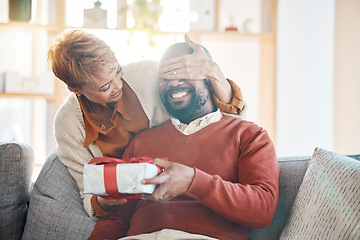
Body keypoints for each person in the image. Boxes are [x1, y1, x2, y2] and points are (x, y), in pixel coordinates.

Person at [88, 42, 279, 240]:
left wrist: (193, 181)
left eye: (182, 71)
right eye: (165, 77)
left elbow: (263, 209)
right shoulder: (141, 142)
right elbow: (117, 220)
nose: (173, 82)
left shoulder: (249, 136)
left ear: (208, 77)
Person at [48, 29, 245, 219]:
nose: (118, 85)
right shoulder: (68, 125)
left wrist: (213, 73)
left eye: (118, 71)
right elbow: (87, 190)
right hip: (136, 209)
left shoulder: (151, 75)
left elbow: (223, 122)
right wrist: (102, 202)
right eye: (105, 87)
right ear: (75, 89)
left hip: (187, 186)